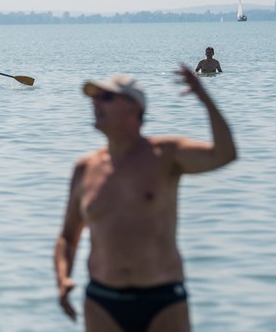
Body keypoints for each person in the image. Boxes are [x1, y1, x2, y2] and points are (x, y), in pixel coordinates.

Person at [54, 65, 236, 332]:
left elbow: (225, 154)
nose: (94, 104)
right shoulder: (85, 168)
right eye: (93, 98)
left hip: (162, 299)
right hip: (102, 300)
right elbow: (67, 237)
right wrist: (62, 279)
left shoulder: (166, 154)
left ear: (133, 107)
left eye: (105, 98)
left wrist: (204, 98)